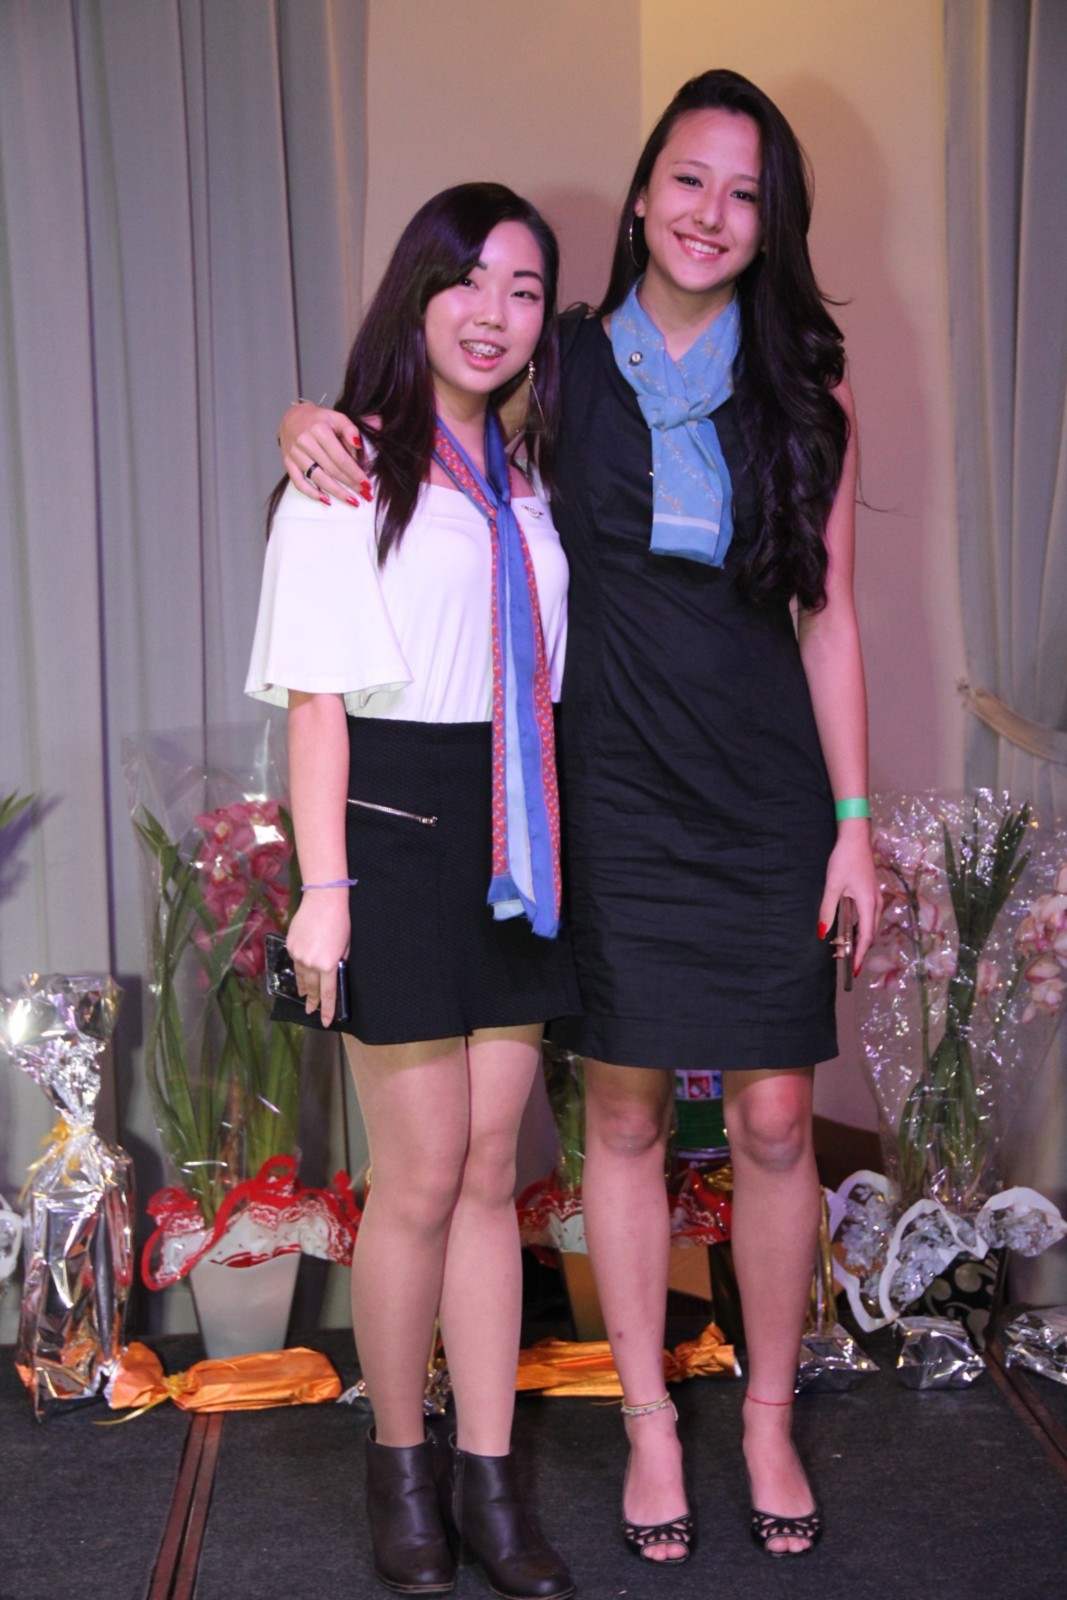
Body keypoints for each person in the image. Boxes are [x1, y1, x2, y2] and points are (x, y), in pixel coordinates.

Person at [275, 69, 883, 1563]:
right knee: (617, 1114)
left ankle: (766, 1418)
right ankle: (649, 1426)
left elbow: (831, 620)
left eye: (745, 193)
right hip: (602, 791)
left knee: (775, 1117)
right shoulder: (566, 365)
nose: (711, 214)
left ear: (773, 223)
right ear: (643, 191)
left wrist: (855, 819)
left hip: (761, 798)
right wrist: (306, 420)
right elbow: (430, 387)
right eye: (689, 179)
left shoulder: (809, 400)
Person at [247, 182, 578, 1600]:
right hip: (391, 823)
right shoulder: (348, 469)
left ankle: (491, 1488)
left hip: (519, 818)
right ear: (417, 294)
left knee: (494, 1176)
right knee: (422, 1175)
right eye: (469, 281)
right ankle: (400, 1468)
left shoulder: (531, 476)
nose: (495, 312)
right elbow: (317, 701)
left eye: (524, 288)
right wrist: (323, 890)